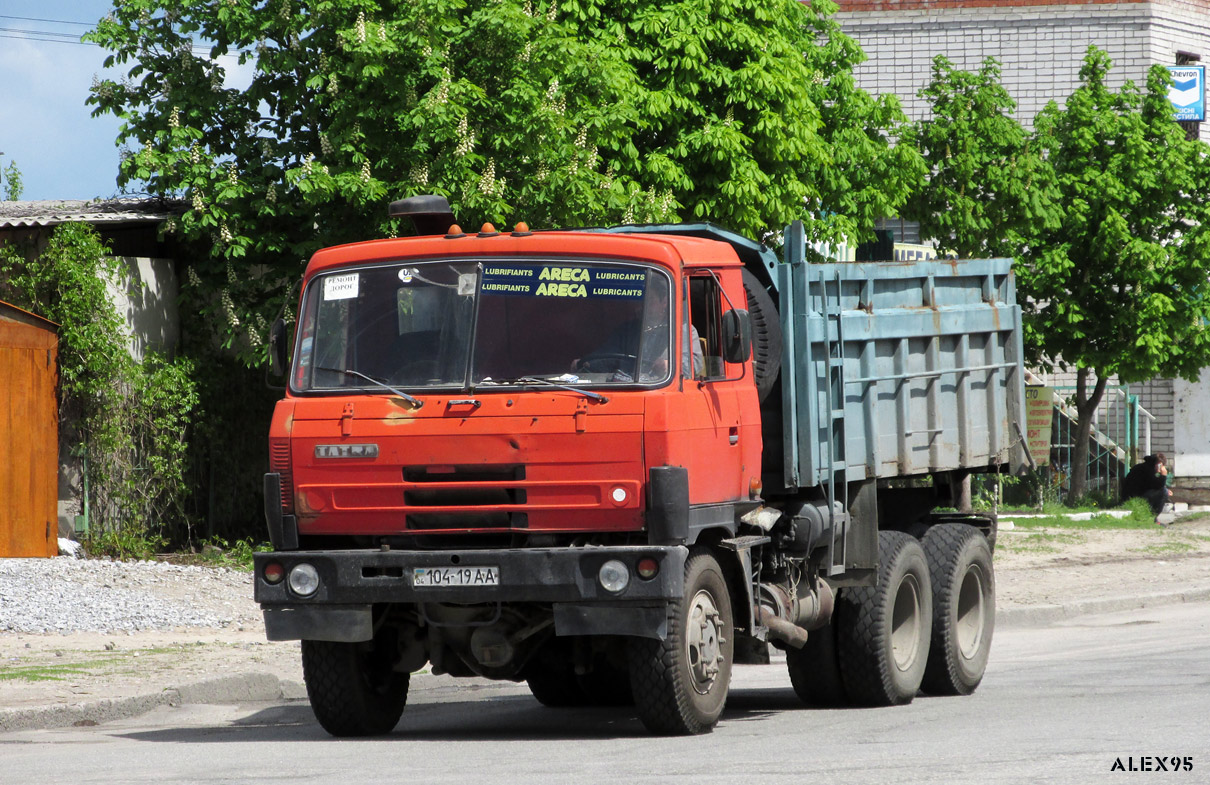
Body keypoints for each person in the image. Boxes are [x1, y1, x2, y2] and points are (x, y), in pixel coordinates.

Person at [1121, 453, 1172, 522]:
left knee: (1164, 490)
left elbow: (1152, 485)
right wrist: (1163, 476)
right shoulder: (1147, 470)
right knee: (1164, 492)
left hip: (1134, 495)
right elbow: (1157, 486)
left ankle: (1150, 515)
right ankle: (1153, 517)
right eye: (1161, 465)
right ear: (1159, 464)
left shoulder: (1144, 467)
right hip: (1135, 496)